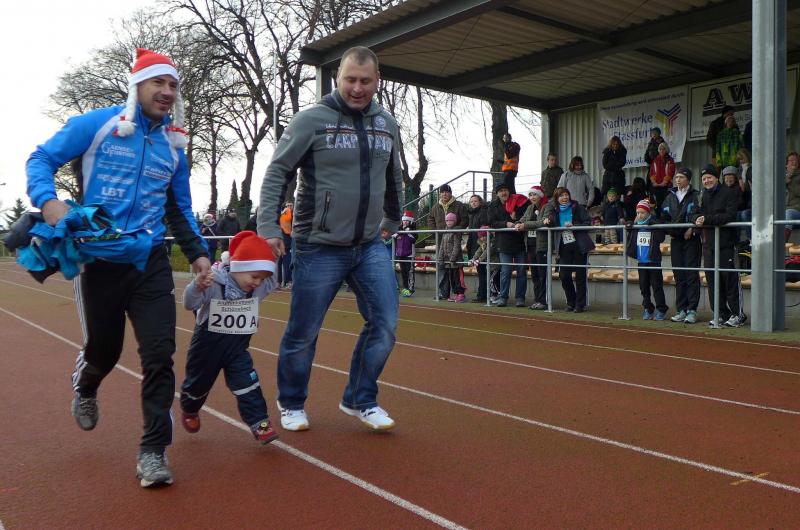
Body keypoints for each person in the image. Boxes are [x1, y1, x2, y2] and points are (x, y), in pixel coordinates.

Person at [26, 48, 211, 487]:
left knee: (160, 355)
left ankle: (153, 452)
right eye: (158, 82)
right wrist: (49, 202)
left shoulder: (173, 145)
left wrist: (199, 252)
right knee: (105, 351)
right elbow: (41, 158)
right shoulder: (97, 125)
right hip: (98, 260)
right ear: (137, 86)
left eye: (173, 85)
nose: (167, 92)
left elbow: (179, 208)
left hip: (150, 261)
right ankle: (86, 384)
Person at [257, 46, 403, 431]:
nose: (357, 88)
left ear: (377, 80)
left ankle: (360, 398)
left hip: (368, 245)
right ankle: (291, 402)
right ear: (337, 78)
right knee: (304, 331)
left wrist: (392, 217)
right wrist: (268, 226)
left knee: (385, 323)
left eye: (365, 81)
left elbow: (393, 175)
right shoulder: (311, 120)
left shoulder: (387, 124)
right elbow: (278, 172)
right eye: (350, 79)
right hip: (318, 244)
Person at [179, 231, 279, 445]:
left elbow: (272, 278)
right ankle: (190, 408)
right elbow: (189, 304)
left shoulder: (257, 288)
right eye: (254, 277)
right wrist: (197, 286)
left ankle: (261, 424)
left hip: (237, 350)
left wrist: (274, 254)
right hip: (206, 349)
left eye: (262, 279)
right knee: (197, 386)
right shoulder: (213, 283)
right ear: (238, 267)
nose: (258, 283)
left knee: (249, 385)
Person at [693, 164, 746, 328]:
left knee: (730, 280)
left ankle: (738, 314)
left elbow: (729, 215)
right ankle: (721, 314)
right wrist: (696, 219)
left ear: (717, 178)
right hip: (708, 245)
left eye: (709, 177)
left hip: (726, 244)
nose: (706, 181)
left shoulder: (728, 193)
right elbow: (694, 213)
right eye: (704, 179)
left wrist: (706, 219)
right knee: (712, 282)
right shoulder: (702, 195)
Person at [661, 167, 702, 324]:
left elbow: (698, 214)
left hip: (691, 240)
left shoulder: (696, 195)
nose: (678, 179)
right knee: (679, 275)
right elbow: (664, 217)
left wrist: (691, 227)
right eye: (676, 177)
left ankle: (692, 310)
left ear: (688, 180)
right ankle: (681, 310)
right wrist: (670, 231)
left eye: (681, 177)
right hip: (676, 240)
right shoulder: (669, 197)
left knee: (691, 275)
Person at [549, 187, 595, 312]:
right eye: (561, 196)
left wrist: (574, 226)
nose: (564, 197)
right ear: (557, 199)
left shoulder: (578, 207)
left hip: (579, 245)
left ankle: (580, 304)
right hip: (563, 246)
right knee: (564, 275)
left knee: (580, 275)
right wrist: (547, 221)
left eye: (566, 195)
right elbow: (552, 223)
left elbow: (587, 223)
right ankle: (571, 301)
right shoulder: (555, 211)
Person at [487, 182, 530, 307]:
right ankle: (503, 297)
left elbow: (526, 217)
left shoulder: (519, 201)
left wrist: (515, 219)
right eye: (501, 191)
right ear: (497, 194)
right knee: (505, 272)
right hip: (503, 243)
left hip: (519, 242)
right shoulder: (493, 206)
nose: (503, 193)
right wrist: (506, 223)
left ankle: (520, 298)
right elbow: (491, 222)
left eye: (505, 190)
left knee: (521, 271)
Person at [626, 200, 667, 320]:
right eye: (638, 213)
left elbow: (661, 238)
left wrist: (654, 224)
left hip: (654, 261)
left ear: (648, 213)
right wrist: (629, 225)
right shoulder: (636, 226)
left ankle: (661, 309)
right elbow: (630, 238)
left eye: (642, 212)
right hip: (641, 262)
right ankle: (648, 308)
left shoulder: (654, 223)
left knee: (657, 287)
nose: (640, 215)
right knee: (643, 287)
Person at [428, 183, 469, 300]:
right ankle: (444, 293)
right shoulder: (435, 207)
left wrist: (456, 230)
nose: (444, 194)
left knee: (455, 269)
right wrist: (434, 232)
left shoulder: (459, 205)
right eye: (442, 192)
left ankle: (459, 293)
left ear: (450, 193)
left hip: (454, 239)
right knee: (442, 268)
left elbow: (465, 219)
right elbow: (430, 219)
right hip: (441, 240)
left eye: (446, 192)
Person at [516, 185, 553, 310]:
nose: (532, 197)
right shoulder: (530, 208)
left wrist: (525, 225)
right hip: (530, 244)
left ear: (540, 195)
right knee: (535, 274)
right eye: (530, 195)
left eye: (534, 194)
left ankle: (544, 300)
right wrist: (517, 224)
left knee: (543, 274)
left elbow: (543, 222)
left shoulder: (547, 206)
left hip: (542, 244)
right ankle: (538, 300)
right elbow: (522, 220)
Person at [466, 194, 489, 301]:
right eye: (471, 202)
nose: (473, 203)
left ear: (480, 202)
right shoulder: (471, 214)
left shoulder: (483, 212)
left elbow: (483, 230)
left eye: (475, 201)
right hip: (473, 243)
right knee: (481, 271)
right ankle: (482, 294)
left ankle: (482, 295)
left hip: (481, 244)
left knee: (483, 271)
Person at [438, 212, 466, 302]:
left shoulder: (456, 232)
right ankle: (456, 293)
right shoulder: (445, 232)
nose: (449, 222)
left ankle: (461, 294)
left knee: (458, 278)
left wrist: (453, 258)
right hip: (448, 261)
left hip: (455, 261)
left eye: (451, 220)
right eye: (447, 221)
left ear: (455, 221)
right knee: (452, 278)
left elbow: (457, 246)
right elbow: (442, 246)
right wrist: (440, 257)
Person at [469, 226, 500, 304]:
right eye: (481, 237)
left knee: (492, 280)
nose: (482, 238)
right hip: (489, 266)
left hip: (495, 265)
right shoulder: (482, 243)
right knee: (490, 280)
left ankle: (498, 294)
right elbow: (479, 251)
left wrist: (479, 260)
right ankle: (494, 294)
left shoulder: (492, 242)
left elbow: (487, 252)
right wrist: (473, 258)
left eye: (484, 236)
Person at [648, 141, 675, 214]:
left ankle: (666, 217)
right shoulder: (655, 160)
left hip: (666, 186)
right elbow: (651, 172)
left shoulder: (670, 160)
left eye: (663, 149)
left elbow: (671, 172)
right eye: (660, 149)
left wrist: (665, 182)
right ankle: (658, 216)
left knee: (666, 203)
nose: (662, 151)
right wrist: (654, 182)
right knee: (657, 203)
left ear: (667, 150)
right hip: (656, 186)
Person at [395, 211, 416, 297]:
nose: (405, 222)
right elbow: (393, 234)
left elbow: (414, 239)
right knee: (403, 272)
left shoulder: (413, 229)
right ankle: (405, 288)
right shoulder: (399, 228)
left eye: (407, 220)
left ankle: (411, 289)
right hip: (401, 254)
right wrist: (398, 235)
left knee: (410, 272)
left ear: (410, 221)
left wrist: (408, 232)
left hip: (409, 255)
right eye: (404, 220)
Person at [735, 148, 753, 241]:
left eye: (742, 158)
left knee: (745, 214)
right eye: (739, 159)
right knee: (737, 214)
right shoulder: (738, 170)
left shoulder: (752, 168)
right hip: (744, 200)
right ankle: (736, 241)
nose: (741, 161)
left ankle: (750, 239)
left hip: (752, 201)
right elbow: (741, 188)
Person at [784, 152, 800, 243]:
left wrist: (790, 182)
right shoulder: (780, 177)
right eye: (791, 160)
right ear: (786, 164)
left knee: (789, 213)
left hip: (796, 209)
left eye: (796, 160)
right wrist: (785, 181)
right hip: (782, 209)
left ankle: (782, 244)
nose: (794, 162)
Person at [278, 201, 293, 288]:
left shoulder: (292, 215)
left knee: (287, 262)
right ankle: (279, 282)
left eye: (291, 205)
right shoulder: (283, 215)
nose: (289, 207)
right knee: (280, 262)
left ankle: (288, 281)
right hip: (281, 240)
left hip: (288, 241)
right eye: (288, 206)